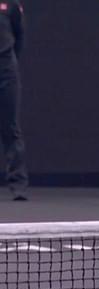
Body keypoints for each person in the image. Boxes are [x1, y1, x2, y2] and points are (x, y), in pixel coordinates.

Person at [0, 0, 27, 201]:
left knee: (10, 127)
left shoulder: (11, 4)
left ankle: (17, 185)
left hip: (6, 71)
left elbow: (19, 36)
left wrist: (10, 61)